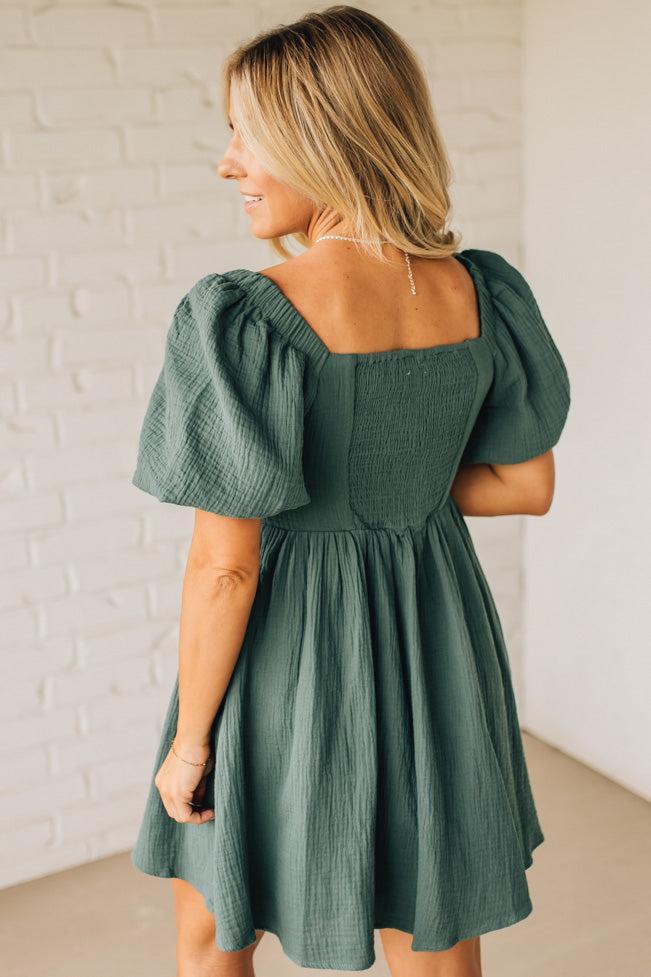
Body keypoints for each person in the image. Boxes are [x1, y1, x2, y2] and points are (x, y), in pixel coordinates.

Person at [129, 6, 571, 977]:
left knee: (212, 914)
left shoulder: (244, 316)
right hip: (436, 638)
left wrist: (191, 743)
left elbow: (223, 571)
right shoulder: (481, 288)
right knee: (432, 913)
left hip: (286, 650)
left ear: (317, 138)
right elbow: (526, 484)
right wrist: (394, 481)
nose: (227, 163)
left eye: (244, 134)